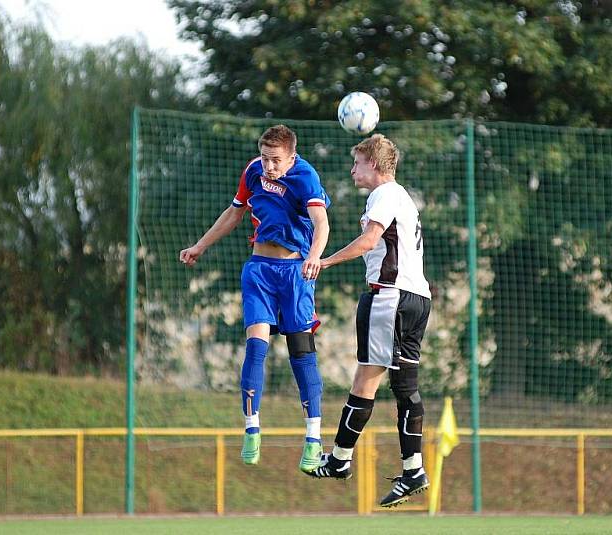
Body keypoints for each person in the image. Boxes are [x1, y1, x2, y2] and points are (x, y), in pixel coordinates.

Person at [179, 125, 330, 474]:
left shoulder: (306, 176)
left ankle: (312, 438)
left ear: (291, 157)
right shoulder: (252, 172)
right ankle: (251, 428)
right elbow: (234, 213)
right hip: (259, 270)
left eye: (276, 160)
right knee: (256, 348)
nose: (269, 166)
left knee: (301, 353)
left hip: (295, 275)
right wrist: (200, 246)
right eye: (265, 158)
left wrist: (314, 257)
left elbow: (321, 223)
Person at [308, 134, 432, 508]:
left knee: (367, 380)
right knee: (403, 386)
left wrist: (324, 261)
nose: (352, 170)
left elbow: (368, 241)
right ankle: (413, 470)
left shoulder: (384, 195)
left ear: (374, 165)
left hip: (390, 297)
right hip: (416, 298)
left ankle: (340, 460)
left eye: (358, 163)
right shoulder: (402, 196)